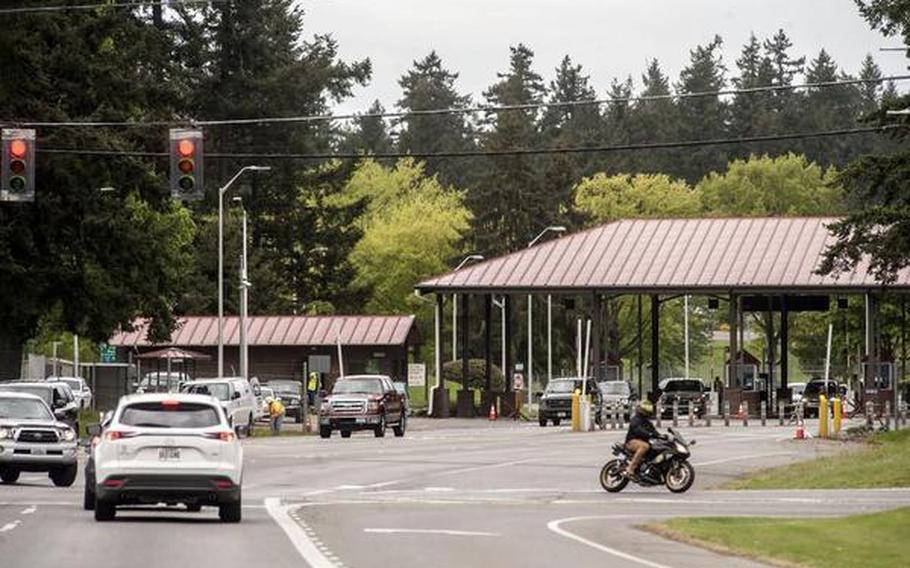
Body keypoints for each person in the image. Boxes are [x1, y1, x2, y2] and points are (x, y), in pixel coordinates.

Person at [624, 400, 661, 479]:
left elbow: (653, 431)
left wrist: (661, 436)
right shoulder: (636, 419)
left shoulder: (647, 422)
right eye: (645, 411)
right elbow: (638, 430)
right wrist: (649, 434)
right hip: (631, 442)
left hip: (643, 441)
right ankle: (630, 469)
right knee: (644, 446)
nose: (647, 413)